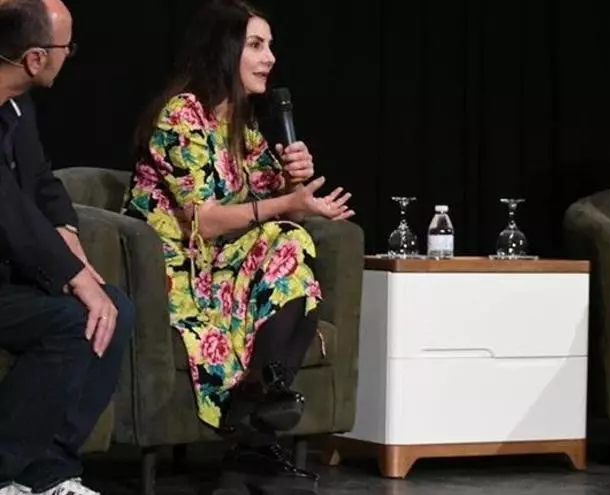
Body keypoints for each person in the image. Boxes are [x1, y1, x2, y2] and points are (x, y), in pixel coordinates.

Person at [121, 0, 354, 488]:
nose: (270, 57)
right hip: (177, 268)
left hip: (223, 263)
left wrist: (296, 183)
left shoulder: (243, 128)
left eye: (270, 46)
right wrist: (288, 203)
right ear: (223, 51)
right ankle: (257, 431)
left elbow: (282, 209)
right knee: (287, 242)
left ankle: (260, 406)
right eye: (256, 45)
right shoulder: (181, 116)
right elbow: (204, 222)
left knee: (292, 250)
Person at [0, 0, 136, 494]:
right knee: (75, 318)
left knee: (115, 308)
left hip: (10, 276)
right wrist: (75, 277)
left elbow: (42, 182)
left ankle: (50, 471)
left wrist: (68, 233)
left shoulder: (17, 106)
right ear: (35, 58)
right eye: (66, 47)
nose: (69, 56)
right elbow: (8, 211)